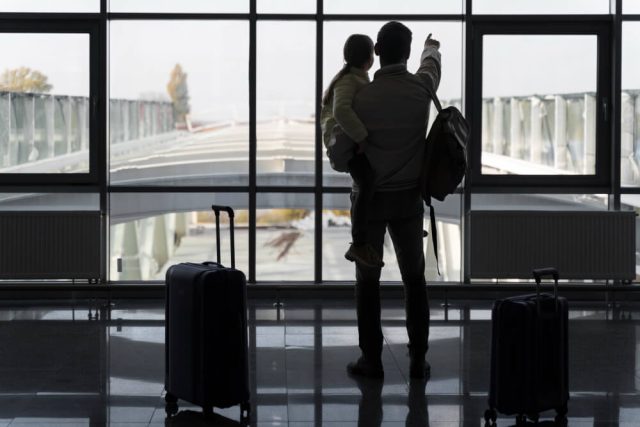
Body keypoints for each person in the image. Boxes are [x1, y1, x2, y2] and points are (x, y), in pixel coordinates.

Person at [345, 21, 441, 380]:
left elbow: (342, 148)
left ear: (378, 52)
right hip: (407, 199)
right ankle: (418, 359)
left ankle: (372, 359)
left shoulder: (360, 96)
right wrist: (430, 49)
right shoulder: (421, 88)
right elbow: (431, 67)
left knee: (367, 284)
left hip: (369, 203)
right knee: (414, 280)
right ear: (406, 52)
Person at [320, 34, 383, 269]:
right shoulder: (350, 81)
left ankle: (361, 240)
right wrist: (362, 137)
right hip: (343, 143)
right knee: (367, 184)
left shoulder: (352, 78)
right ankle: (359, 243)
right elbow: (342, 111)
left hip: (344, 142)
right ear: (369, 57)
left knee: (367, 183)